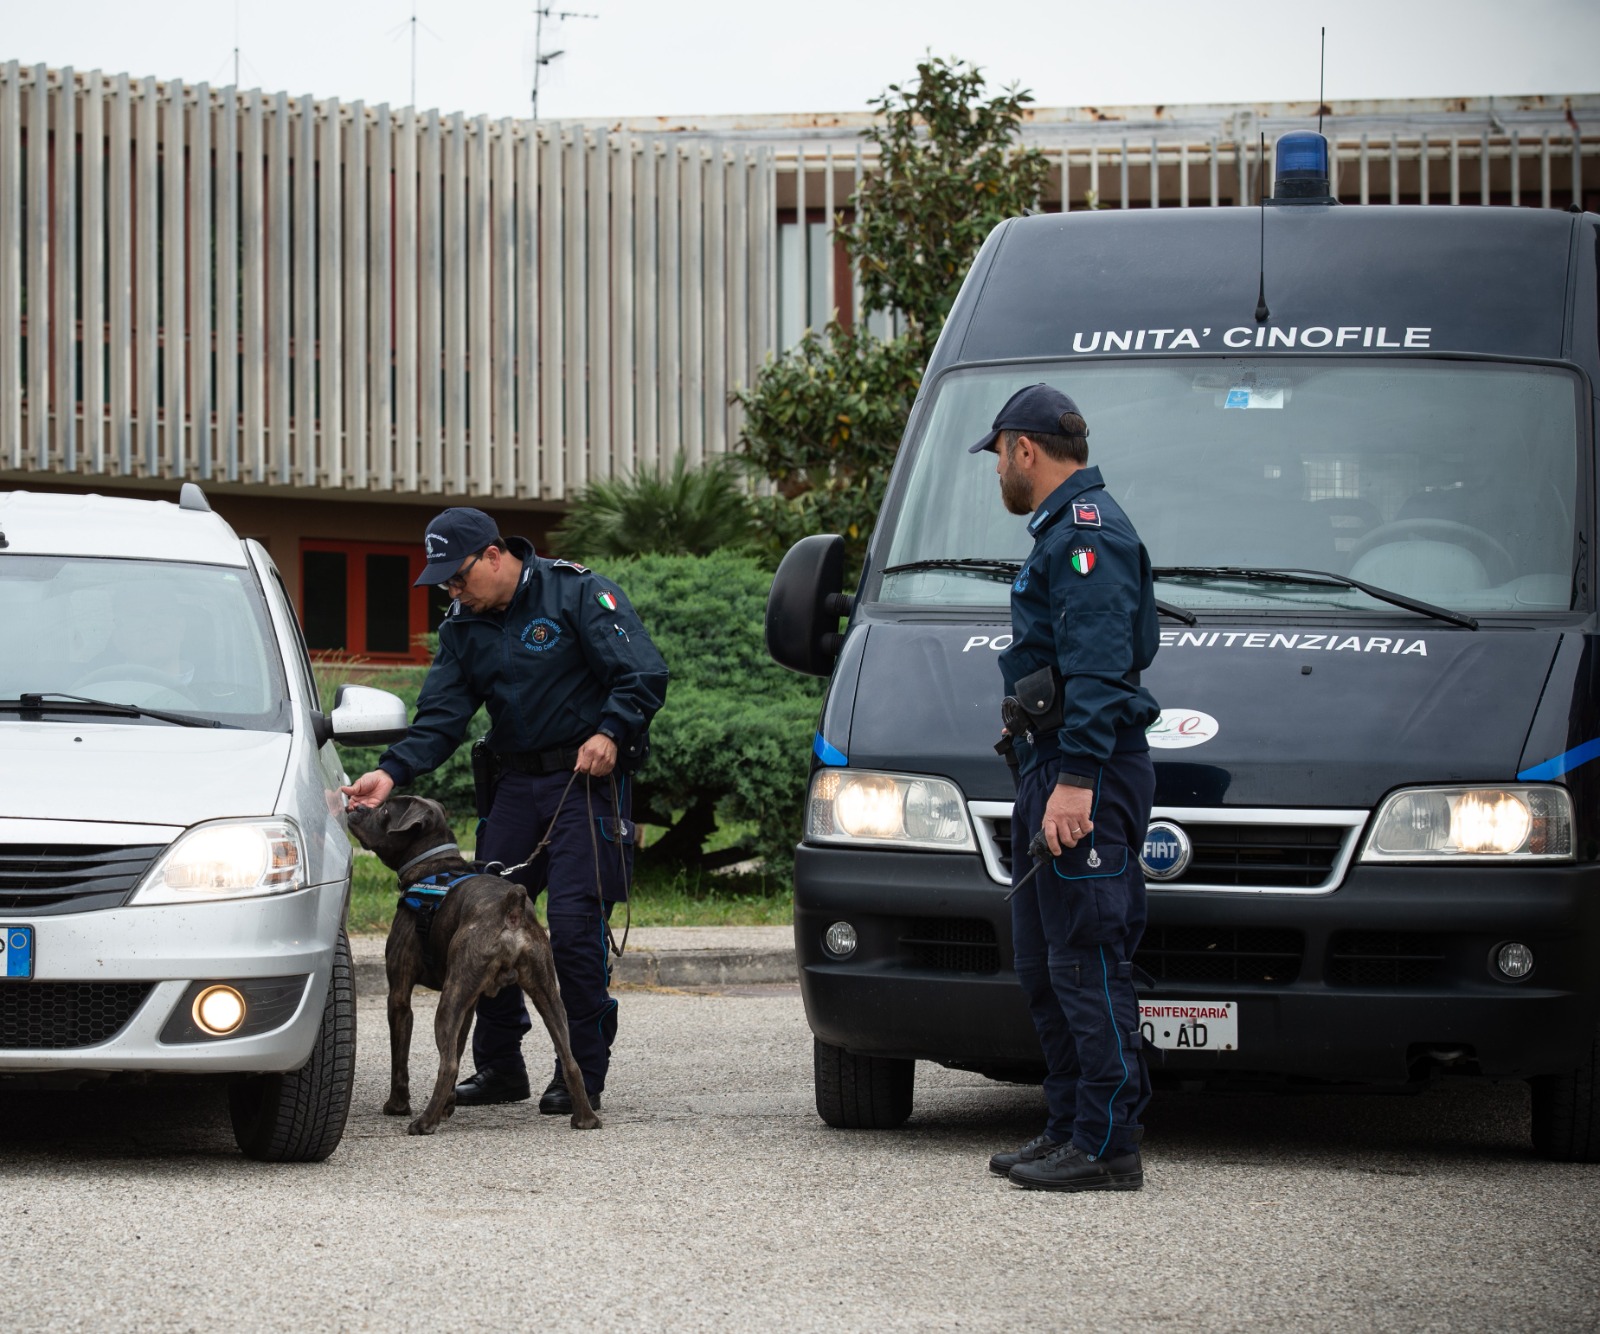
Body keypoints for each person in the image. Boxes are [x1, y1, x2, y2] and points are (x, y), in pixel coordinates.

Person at [341, 507, 668, 1114]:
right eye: (444, 584)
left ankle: (582, 1075)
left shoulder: (575, 592)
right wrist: (390, 772)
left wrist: (613, 732)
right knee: (482, 919)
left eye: (458, 577)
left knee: (572, 929)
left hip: (584, 784)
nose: (453, 591)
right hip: (515, 785)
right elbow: (441, 717)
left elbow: (642, 674)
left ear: (494, 555)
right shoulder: (463, 626)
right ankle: (499, 1068)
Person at [971, 383, 1161, 1193]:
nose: (999, 476)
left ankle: (1109, 1145)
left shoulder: (1087, 535)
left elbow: (1097, 670)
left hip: (1087, 765)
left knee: (1087, 957)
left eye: (1000, 458)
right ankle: (1069, 1127)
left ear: (1025, 449)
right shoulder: (1061, 532)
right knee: (1048, 964)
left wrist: (1076, 780)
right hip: (1051, 760)